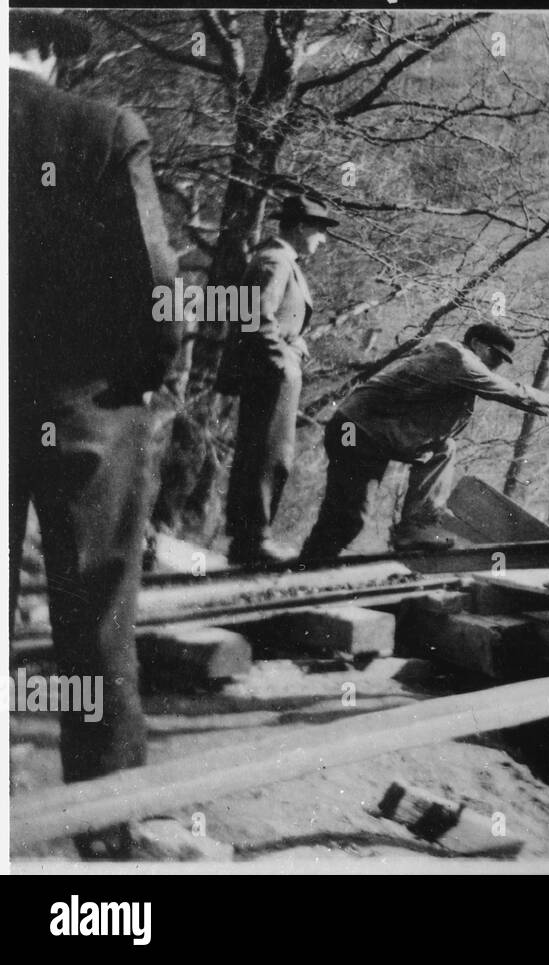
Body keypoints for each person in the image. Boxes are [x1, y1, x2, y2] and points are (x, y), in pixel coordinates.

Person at [9, 10, 181, 856]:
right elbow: (155, 278)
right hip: (83, 409)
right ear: (44, 51)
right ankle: (103, 833)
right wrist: (147, 373)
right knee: (94, 617)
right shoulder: (102, 128)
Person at [299, 322, 549, 560]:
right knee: (348, 516)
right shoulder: (459, 360)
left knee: (440, 451)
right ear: (477, 345)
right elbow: (512, 392)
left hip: (369, 432)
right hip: (358, 433)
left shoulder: (446, 355)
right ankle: (312, 567)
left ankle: (411, 529)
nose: (495, 364)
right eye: (494, 355)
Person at [222, 194, 338, 565]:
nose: (323, 240)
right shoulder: (275, 260)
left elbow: (277, 317)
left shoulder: (281, 260)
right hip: (269, 374)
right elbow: (252, 316)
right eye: (320, 231)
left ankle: (250, 540)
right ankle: (252, 539)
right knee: (267, 457)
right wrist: (282, 362)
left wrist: (296, 345)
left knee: (270, 456)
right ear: (302, 227)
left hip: (272, 372)